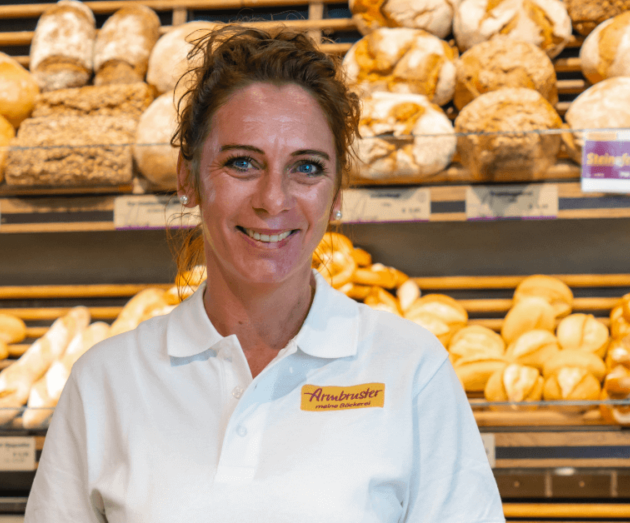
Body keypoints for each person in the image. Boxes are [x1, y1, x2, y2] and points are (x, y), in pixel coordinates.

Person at [25, 25, 504, 523]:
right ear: (188, 179)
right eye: (242, 163)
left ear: (336, 195)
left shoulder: (411, 369)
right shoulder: (105, 383)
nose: (273, 200)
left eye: (307, 168)